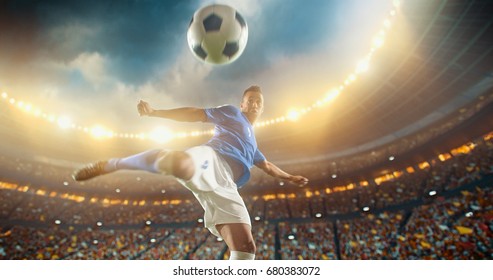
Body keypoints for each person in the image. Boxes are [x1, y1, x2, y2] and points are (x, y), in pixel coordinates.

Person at [72, 85, 309, 260]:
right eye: (251, 100)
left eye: (259, 101)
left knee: (247, 248)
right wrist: (155, 113)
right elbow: (196, 113)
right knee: (180, 163)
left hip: (227, 187)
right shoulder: (232, 114)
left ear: (262, 106)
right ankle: (112, 164)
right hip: (212, 158)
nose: (255, 103)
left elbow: (267, 166)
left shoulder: (253, 143)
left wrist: (289, 177)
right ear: (242, 104)